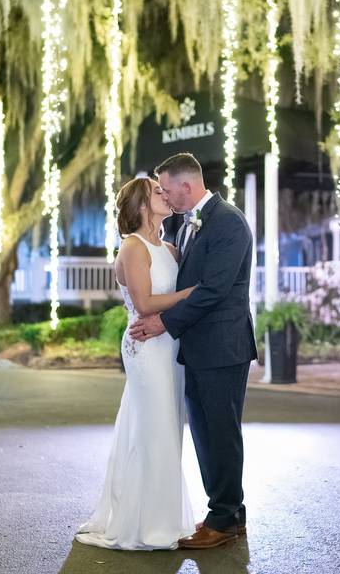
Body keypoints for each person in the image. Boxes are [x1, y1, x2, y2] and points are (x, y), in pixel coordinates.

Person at [130, 152, 257, 550]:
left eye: (167, 189)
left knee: (220, 430)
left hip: (222, 346)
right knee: (205, 431)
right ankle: (228, 512)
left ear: (186, 185)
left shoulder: (228, 222)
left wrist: (164, 323)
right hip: (198, 348)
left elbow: (215, 291)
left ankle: (224, 517)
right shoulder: (187, 225)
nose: (165, 197)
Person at [74, 177, 197, 550]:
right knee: (153, 427)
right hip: (145, 349)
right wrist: (193, 293)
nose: (164, 194)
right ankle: (146, 526)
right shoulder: (132, 247)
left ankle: (161, 518)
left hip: (170, 349)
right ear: (142, 205)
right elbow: (144, 304)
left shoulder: (170, 250)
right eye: (156, 191)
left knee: (166, 428)